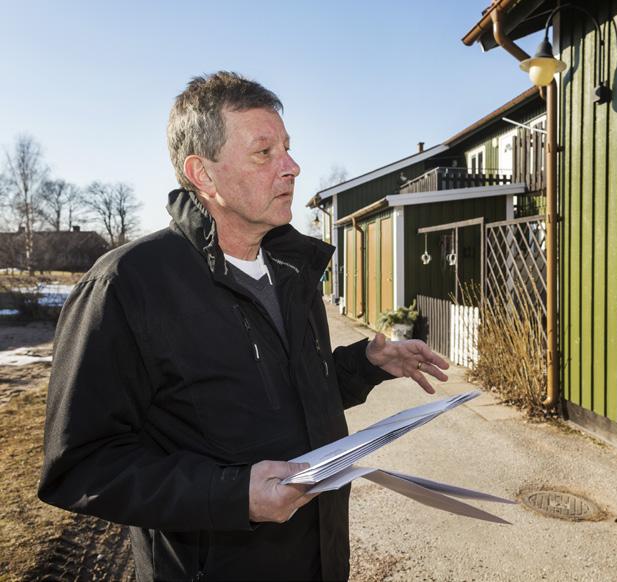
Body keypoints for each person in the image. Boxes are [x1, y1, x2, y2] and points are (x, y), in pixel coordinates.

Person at [38, 71, 449, 581]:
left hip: (318, 560)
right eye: (264, 153)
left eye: (288, 149)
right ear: (203, 175)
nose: (292, 167)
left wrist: (363, 364)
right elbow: (82, 465)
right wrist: (233, 496)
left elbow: (279, 393)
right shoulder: (126, 286)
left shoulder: (292, 271)